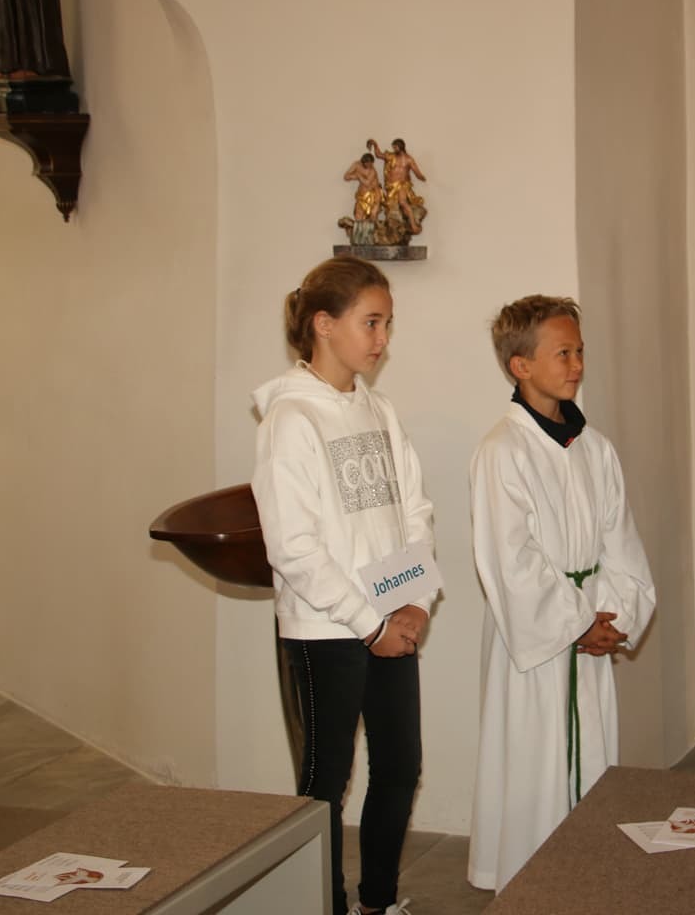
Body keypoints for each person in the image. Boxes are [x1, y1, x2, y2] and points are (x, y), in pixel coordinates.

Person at [251, 256, 436, 915]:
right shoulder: (290, 420)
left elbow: (413, 511)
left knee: (400, 767)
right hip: (326, 629)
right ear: (324, 324)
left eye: (387, 324)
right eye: (371, 322)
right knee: (325, 782)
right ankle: (322, 906)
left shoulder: (378, 410)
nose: (382, 338)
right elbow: (294, 548)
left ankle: (376, 904)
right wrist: (370, 623)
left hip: (391, 618)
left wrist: (415, 601)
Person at [467, 295, 657, 892]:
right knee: (535, 762)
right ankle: (532, 886)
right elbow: (510, 560)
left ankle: (586, 877)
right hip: (537, 639)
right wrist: (577, 621)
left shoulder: (595, 448)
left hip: (590, 625)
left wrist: (617, 616)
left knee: (590, 759)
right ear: (520, 365)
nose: (577, 365)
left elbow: (620, 542)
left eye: (580, 351)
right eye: (563, 353)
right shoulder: (503, 450)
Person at [367, 138, 427, 239]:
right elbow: (379, 155)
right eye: (393, 147)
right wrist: (375, 144)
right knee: (391, 209)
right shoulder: (391, 156)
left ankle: (413, 225)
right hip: (391, 187)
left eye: (395, 147)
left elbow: (416, 171)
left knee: (403, 202)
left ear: (400, 147)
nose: (394, 149)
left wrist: (422, 177)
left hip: (402, 185)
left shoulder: (408, 159)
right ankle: (394, 230)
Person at [342, 153, 384, 245]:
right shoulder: (356, 165)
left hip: (373, 195)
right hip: (362, 196)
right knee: (358, 216)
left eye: (371, 163)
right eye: (367, 163)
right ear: (363, 162)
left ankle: (370, 240)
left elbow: (367, 183)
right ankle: (358, 239)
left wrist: (358, 176)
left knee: (372, 217)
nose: (369, 165)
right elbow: (346, 176)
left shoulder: (372, 171)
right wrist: (356, 176)